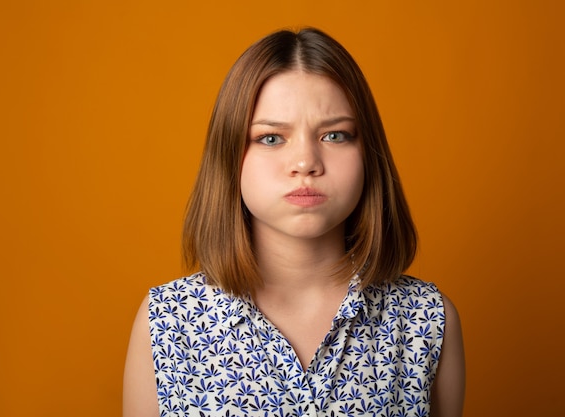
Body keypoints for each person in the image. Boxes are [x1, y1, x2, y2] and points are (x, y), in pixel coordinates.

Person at [123, 27, 465, 417]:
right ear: (230, 155)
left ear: (368, 153)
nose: (306, 162)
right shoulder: (168, 320)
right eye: (271, 138)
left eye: (335, 135)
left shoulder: (426, 320)